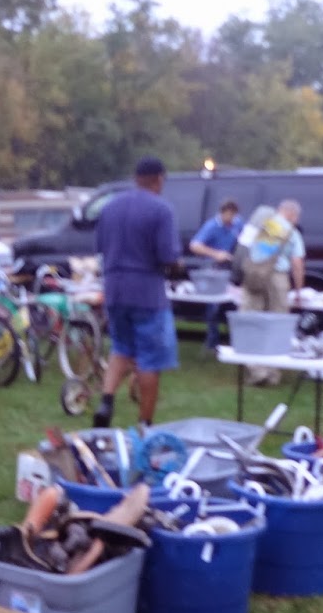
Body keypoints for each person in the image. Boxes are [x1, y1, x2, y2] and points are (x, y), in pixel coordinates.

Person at [92, 156, 181, 430]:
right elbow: (167, 257)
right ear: (158, 179)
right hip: (147, 294)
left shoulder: (109, 208)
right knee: (149, 359)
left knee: (121, 348)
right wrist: (179, 269)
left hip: (114, 290)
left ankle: (106, 402)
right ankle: (145, 424)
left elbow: (101, 249)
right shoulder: (161, 210)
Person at [236, 199, 304, 386]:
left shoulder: (262, 227)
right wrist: (298, 290)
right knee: (278, 325)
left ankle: (257, 371)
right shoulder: (292, 233)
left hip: (255, 276)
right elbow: (297, 264)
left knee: (252, 321)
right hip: (279, 279)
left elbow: (246, 252)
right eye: (296, 217)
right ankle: (273, 373)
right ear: (290, 213)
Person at [188, 199, 240, 353]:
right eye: (228, 215)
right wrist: (216, 254)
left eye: (234, 215)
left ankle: (232, 339)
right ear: (222, 213)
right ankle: (212, 341)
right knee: (213, 306)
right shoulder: (212, 226)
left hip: (229, 267)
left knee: (232, 302)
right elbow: (195, 245)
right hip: (212, 267)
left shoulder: (237, 224)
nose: (231, 219)